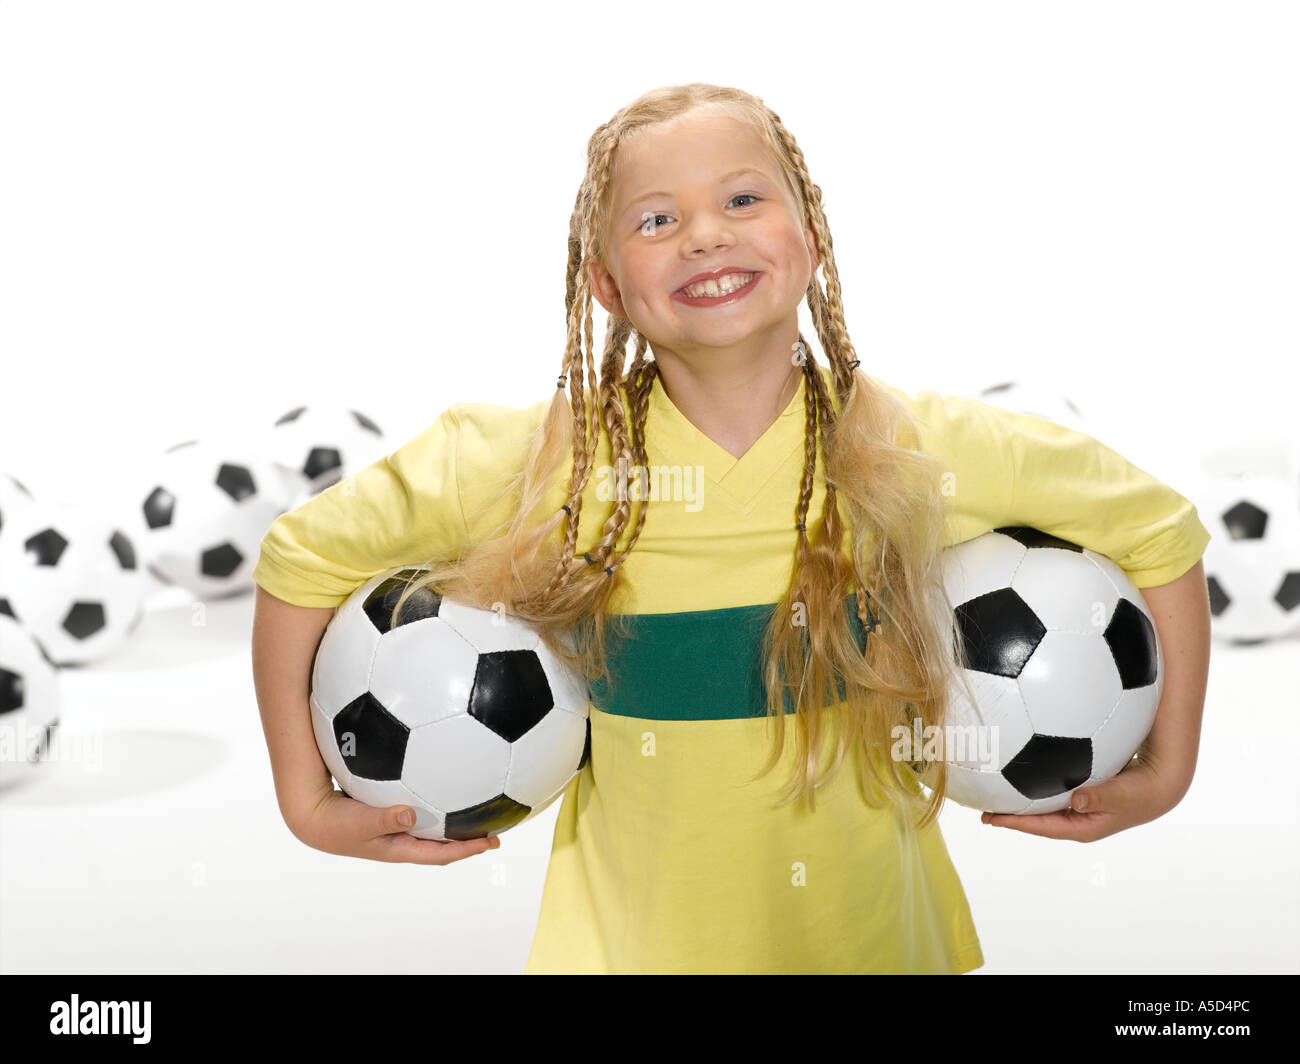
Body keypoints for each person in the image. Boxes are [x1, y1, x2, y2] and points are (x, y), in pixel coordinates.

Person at [250, 83, 1212, 974]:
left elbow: (1161, 533)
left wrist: (1166, 770)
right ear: (606, 285)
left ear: (813, 237)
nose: (706, 236)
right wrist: (303, 802)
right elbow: (300, 561)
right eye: (658, 219)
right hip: (632, 950)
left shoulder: (921, 448)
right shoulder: (532, 462)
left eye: (744, 200)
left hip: (874, 942)